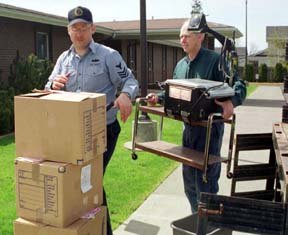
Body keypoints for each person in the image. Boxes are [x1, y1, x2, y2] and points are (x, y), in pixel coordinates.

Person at [45, 6, 139, 234]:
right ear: (68, 31)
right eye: (74, 28)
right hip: (72, 133)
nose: (79, 33)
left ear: (92, 29)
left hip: (103, 131)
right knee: (82, 183)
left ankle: (101, 230)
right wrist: (53, 85)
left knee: (91, 181)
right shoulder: (63, 59)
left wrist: (126, 95)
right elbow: (47, 88)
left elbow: (131, 81)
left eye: (84, 28)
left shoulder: (108, 55)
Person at [147, 19, 246, 213]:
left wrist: (230, 102)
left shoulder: (215, 61)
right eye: (180, 36)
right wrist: (158, 98)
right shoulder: (181, 65)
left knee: (205, 184)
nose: (182, 40)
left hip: (209, 131)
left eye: (186, 36)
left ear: (200, 37)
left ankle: (207, 224)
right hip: (188, 129)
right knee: (189, 184)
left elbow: (239, 84)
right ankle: (196, 220)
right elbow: (173, 92)